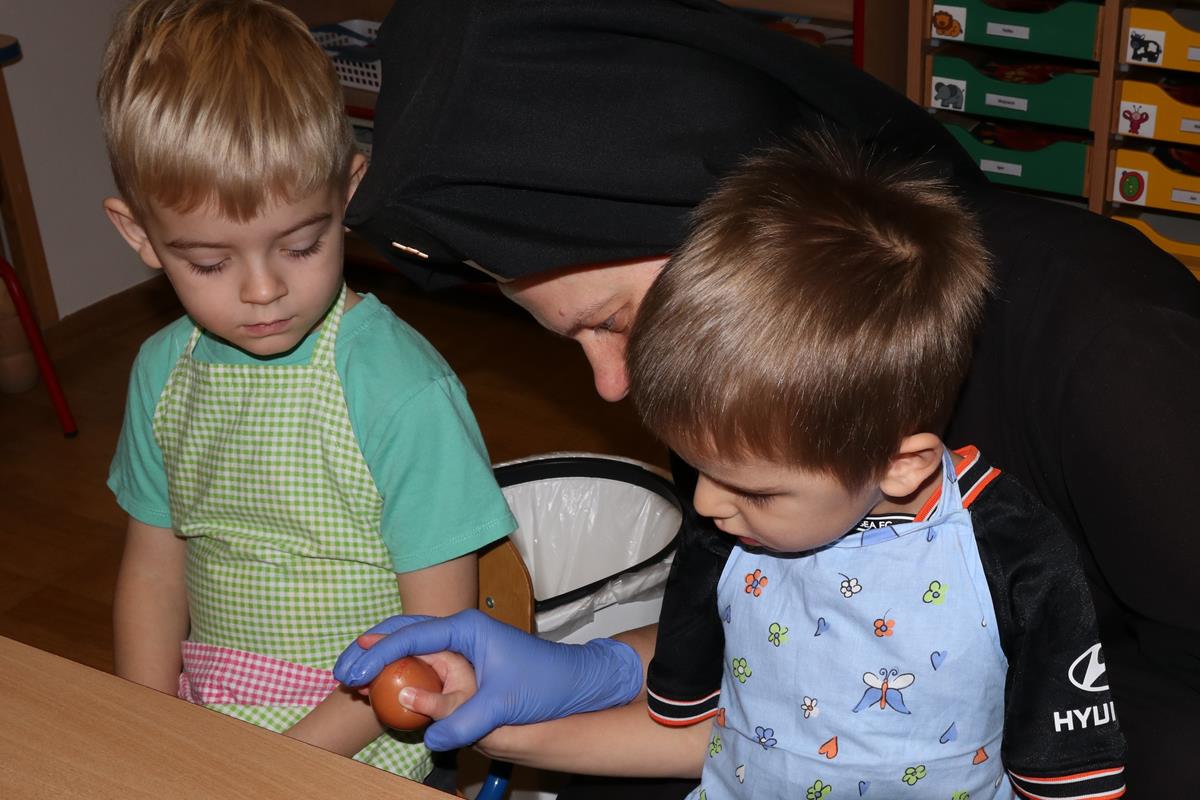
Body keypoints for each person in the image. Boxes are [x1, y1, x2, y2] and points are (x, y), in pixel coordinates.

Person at [336, 0, 1200, 794]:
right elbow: (789, 648)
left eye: (615, 321)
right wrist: (597, 670)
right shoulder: (730, 381)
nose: (610, 383)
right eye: (571, 340)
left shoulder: (1111, 347)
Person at [99, 0, 517, 784]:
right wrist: (148, 731)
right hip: (215, 723)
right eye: (210, 263)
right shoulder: (163, 374)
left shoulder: (400, 391)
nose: (262, 291)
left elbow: (432, 637)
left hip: (369, 744)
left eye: (300, 245)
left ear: (348, 190)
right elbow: (153, 571)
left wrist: (274, 767)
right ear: (140, 236)